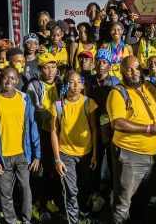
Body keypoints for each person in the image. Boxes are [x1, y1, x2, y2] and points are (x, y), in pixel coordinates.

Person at [107, 55, 156, 223]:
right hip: (130, 155)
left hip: (153, 155)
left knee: (142, 200)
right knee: (123, 203)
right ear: (122, 71)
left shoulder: (149, 86)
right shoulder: (117, 92)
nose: (134, 72)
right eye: (129, 69)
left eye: (137, 68)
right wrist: (148, 129)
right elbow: (117, 123)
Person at [0, 67, 41, 224]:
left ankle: (26, 219)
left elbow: (32, 127)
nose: (9, 81)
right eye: (6, 78)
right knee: (5, 192)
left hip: (23, 154)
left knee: (25, 189)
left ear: (17, 80)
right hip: (2, 157)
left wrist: (37, 154)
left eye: (13, 78)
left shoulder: (25, 99)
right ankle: (10, 220)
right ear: (0, 78)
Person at [50, 71, 98, 224]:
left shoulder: (88, 103)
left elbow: (94, 129)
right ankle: (73, 219)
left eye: (79, 81)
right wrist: (57, 158)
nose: (76, 85)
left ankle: (82, 211)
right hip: (66, 154)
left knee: (83, 185)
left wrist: (95, 154)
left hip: (86, 153)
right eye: (71, 82)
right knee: (71, 190)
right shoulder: (58, 105)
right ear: (66, 84)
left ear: (82, 84)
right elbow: (53, 132)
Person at [84, 49, 120, 209]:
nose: (100, 65)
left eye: (104, 62)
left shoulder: (115, 81)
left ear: (109, 65)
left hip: (110, 125)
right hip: (92, 123)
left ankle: (114, 192)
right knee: (95, 158)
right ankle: (94, 192)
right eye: (98, 61)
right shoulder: (88, 80)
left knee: (113, 159)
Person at [26, 53, 60, 221]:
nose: (50, 70)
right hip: (40, 134)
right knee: (40, 170)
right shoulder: (34, 86)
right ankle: (38, 202)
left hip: (58, 134)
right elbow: (36, 112)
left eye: (53, 67)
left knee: (55, 168)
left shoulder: (61, 84)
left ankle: (51, 199)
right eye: (46, 67)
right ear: (40, 69)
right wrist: (56, 115)